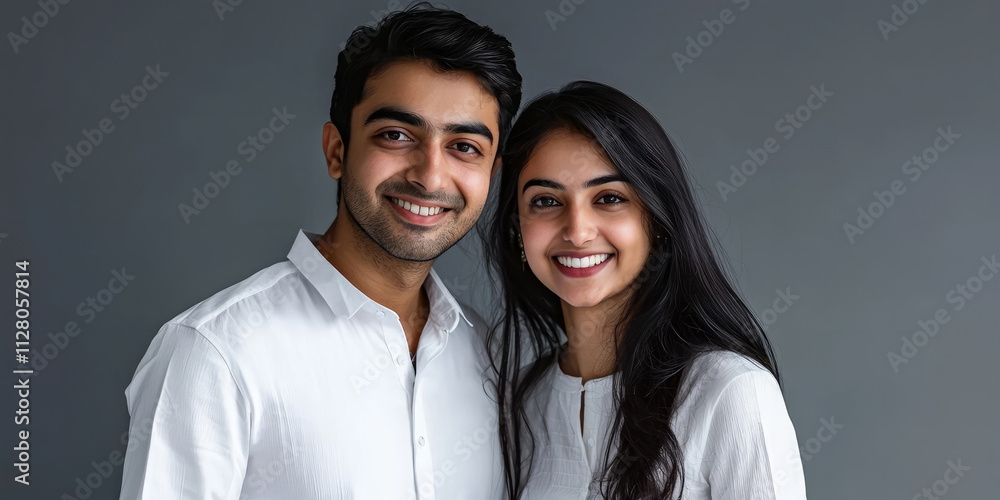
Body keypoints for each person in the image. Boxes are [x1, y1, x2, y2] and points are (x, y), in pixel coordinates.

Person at [118, 4, 521, 499]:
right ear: (336, 150)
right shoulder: (214, 354)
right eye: (396, 135)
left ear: (490, 174)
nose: (430, 176)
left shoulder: (490, 356)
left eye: (464, 147)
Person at [482, 81, 807, 499]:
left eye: (609, 197)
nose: (577, 232)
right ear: (517, 230)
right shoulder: (516, 406)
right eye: (545, 201)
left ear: (655, 219)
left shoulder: (729, 391)